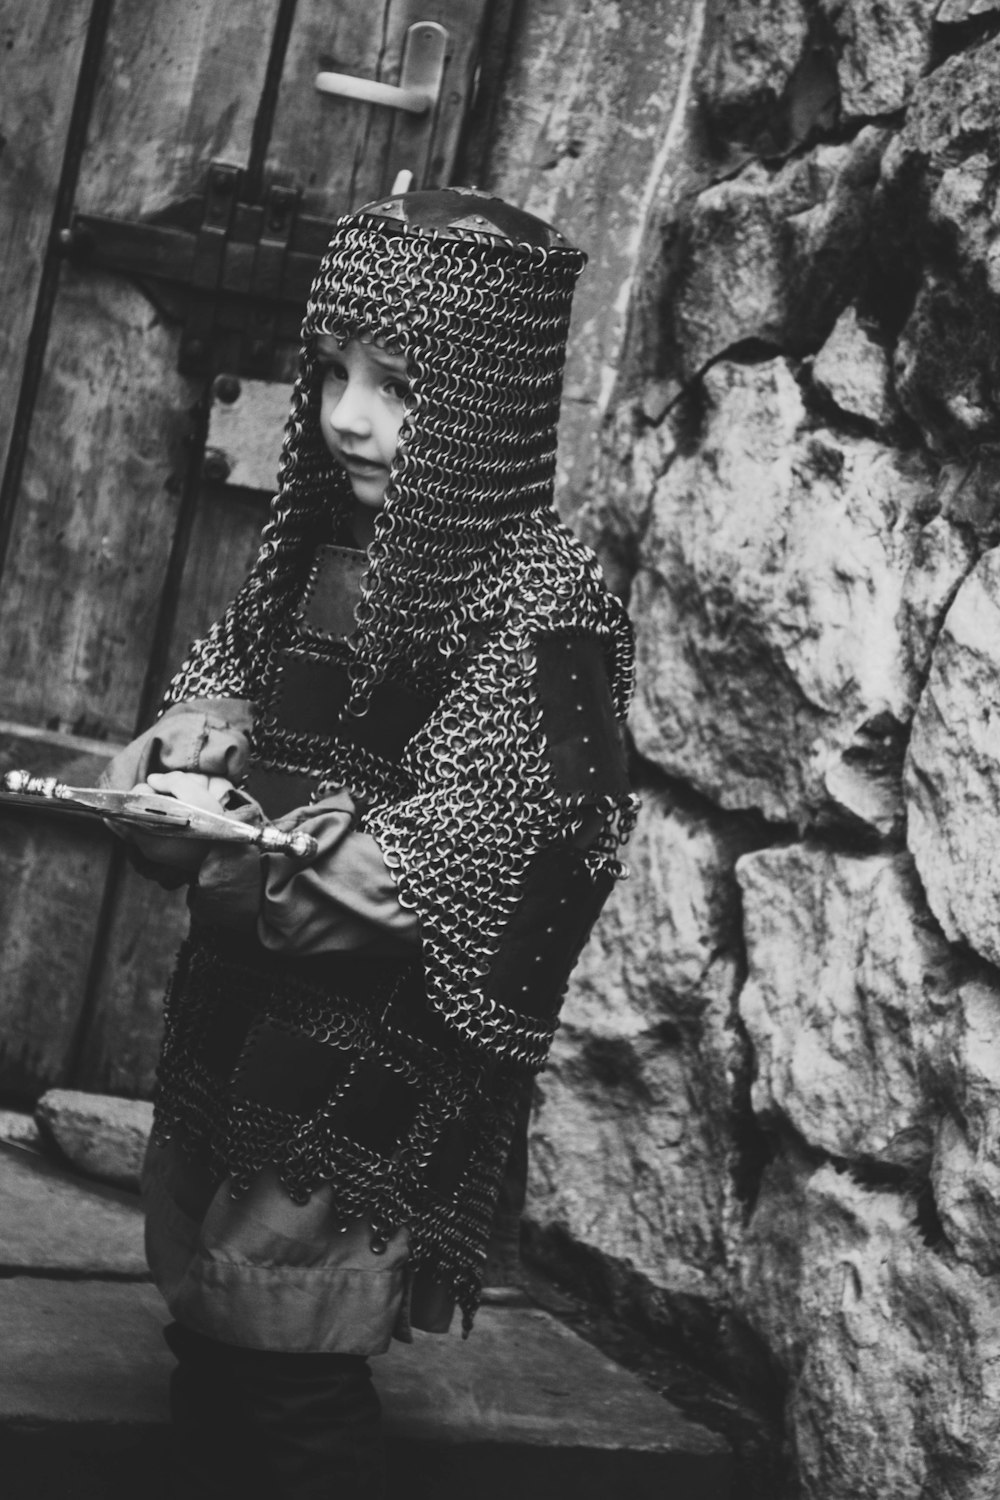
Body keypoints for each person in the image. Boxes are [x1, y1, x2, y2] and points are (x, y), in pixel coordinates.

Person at [101, 187, 636, 1499]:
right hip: (248, 992)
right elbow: (234, 674)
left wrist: (293, 850)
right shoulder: (319, 547)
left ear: (493, 404)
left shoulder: (544, 606)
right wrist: (194, 749)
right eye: (333, 374)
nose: (349, 416)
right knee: (216, 1301)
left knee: (289, 1338)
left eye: (400, 388)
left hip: (383, 1030)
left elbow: (534, 829)